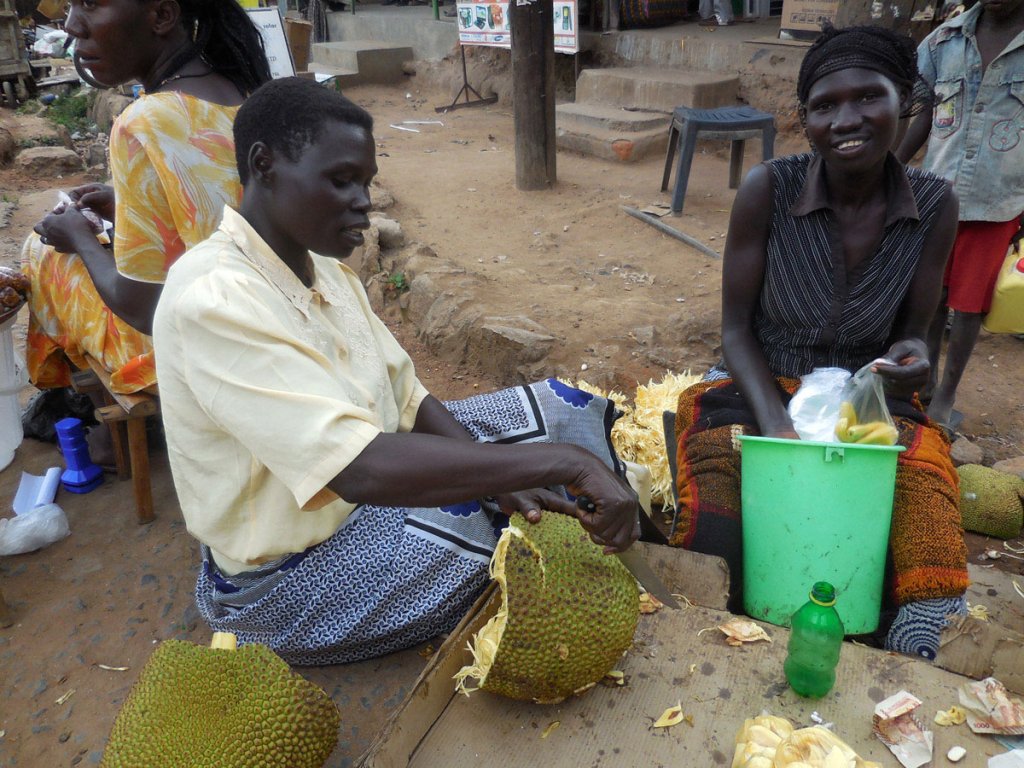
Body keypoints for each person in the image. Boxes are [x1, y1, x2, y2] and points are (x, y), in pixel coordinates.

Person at [152, 77, 640, 666]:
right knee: (471, 531)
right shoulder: (212, 300)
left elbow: (408, 397)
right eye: (341, 180)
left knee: (564, 409)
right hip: (285, 582)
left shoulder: (327, 272)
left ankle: (623, 527)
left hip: (367, 495)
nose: (364, 201)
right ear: (265, 165)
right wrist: (558, 465)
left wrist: (502, 479)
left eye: (367, 182)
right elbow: (358, 469)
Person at [669, 25, 969, 660]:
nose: (847, 119)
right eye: (825, 106)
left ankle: (911, 637)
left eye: (869, 98)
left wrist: (914, 366)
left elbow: (919, 331)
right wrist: (777, 426)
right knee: (718, 489)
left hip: (865, 401)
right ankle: (727, 625)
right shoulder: (768, 190)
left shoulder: (936, 204)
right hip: (763, 383)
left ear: (904, 104)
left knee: (923, 480)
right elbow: (735, 330)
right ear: (804, 120)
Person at [23, 0, 270, 405]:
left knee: (43, 254)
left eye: (89, 5)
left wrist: (81, 238)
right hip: (265, 326)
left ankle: (94, 412)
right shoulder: (242, 88)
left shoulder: (146, 120)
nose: (70, 25)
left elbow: (144, 310)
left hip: (205, 354)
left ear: (161, 16)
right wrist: (125, 205)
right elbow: (216, 222)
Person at [896, 0, 1024, 431]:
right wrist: (892, 165)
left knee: (969, 306)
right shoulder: (943, 41)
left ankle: (946, 395)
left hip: (998, 202)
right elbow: (925, 112)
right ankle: (924, 381)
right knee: (930, 295)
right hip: (937, 195)